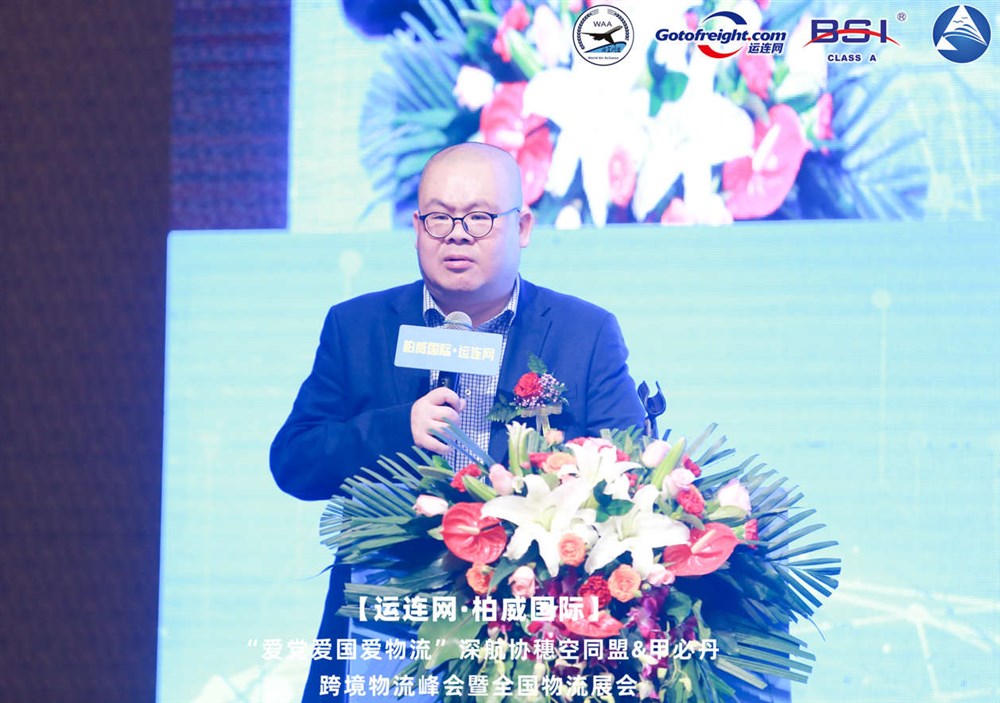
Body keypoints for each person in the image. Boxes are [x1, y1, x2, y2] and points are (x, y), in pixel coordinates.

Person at [270, 142, 646, 702]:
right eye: (439, 218)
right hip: (384, 629)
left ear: (522, 227)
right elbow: (294, 461)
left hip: (534, 637)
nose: (457, 235)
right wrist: (397, 428)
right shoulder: (358, 326)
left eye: (478, 218)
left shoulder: (582, 333)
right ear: (417, 227)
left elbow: (632, 477)